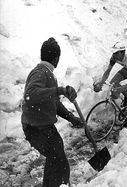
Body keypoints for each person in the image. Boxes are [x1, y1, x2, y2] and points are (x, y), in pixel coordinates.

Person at [21, 37, 83, 187]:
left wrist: (72, 118)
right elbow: (31, 95)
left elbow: (54, 103)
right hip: (36, 128)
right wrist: (59, 90)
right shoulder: (41, 73)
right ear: (56, 58)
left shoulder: (45, 73)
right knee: (60, 162)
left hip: (41, 126)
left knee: (55, 157)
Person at [93, 42, 127, 127]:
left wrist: (121, 89)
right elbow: (108, 71)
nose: (114, 55)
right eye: (113, 52)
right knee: (113, 83)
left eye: (116, 53)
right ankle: (125, 101)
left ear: (122, 52)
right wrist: (101, 83)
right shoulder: (114, 57)